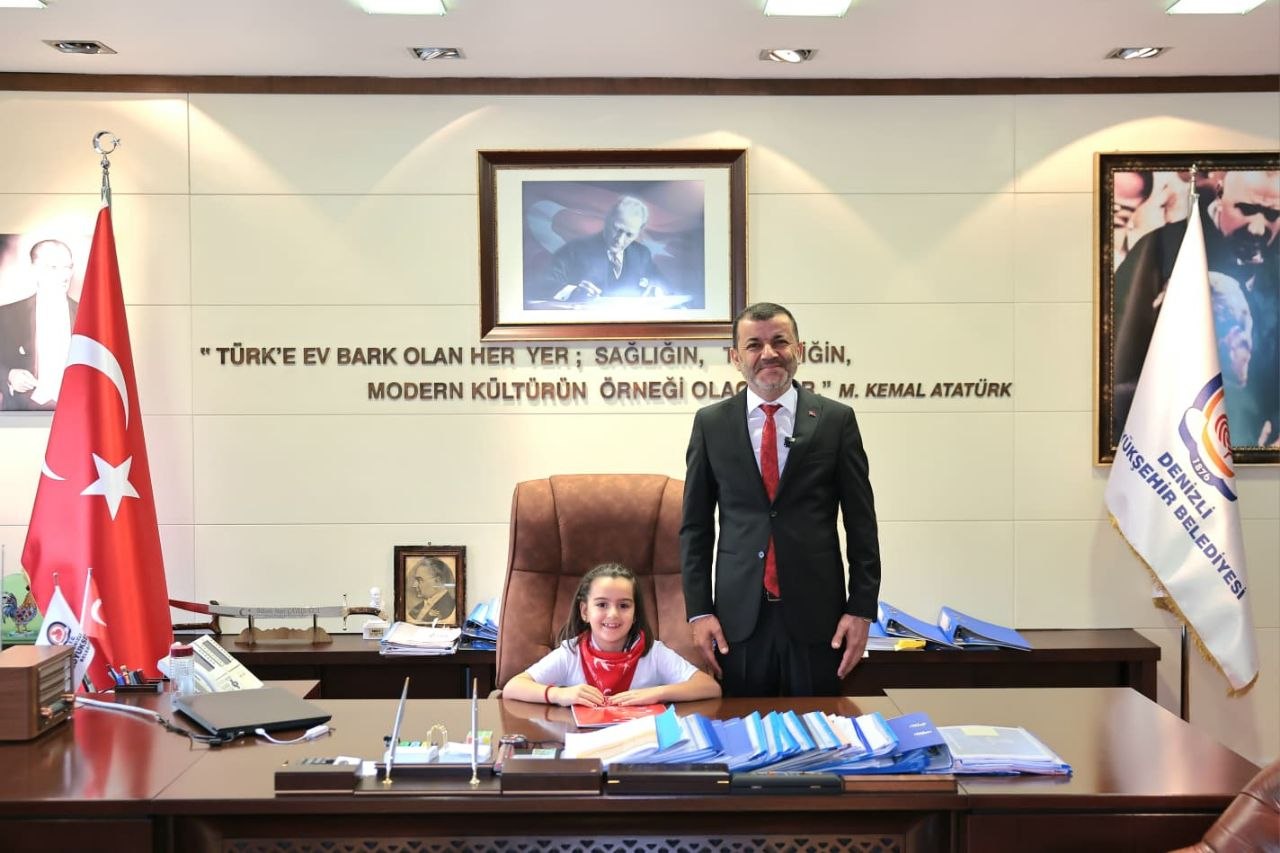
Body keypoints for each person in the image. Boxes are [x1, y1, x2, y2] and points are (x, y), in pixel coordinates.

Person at [680, 302, 881, 697]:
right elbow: (695, 528)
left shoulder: (836, 420)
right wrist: (699, 611)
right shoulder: (711, 424)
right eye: (754, 345)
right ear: (736, 358)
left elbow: (861, 524)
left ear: (799, 350)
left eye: (780, 342)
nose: (768, 353)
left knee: (819, 730)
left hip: (819, 618)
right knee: (741, 729)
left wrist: (861, 609)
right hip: (738, 622)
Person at [1112, 169, 1279, 447]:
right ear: (1220, 194)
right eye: (1247, 209)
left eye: (1273, 214)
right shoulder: (1165, 245)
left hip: (1255, 444)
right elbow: (1120, 348)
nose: (1258, 228)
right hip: (1166, 437)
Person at [502, 563, 721, 707]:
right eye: (602, 604)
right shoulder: (571, 653)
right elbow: (513, 687)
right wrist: (559, 695)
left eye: (624, 605)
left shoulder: (653, 652)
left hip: (639, 748)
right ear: (585, 611)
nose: (613, 614)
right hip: (586, 745)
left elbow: (710, 687)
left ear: (635, 613)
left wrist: (657, 693)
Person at [532, 196, 668, 304]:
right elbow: (544, 285)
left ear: (639, 232)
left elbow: (663, 284)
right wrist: (574, 291)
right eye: (617, 229)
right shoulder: (574, 250)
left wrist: (658, 290)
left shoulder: (642, 254)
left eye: (629, 234)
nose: (620, 240)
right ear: (607, 221)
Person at [0, 239, 77, 410]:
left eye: (68, 267)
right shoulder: (6, 315)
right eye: (53, 268)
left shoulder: (88, 316)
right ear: (34, 270)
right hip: (22, 413)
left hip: (76, 411)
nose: (64, 275)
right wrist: (9, 375)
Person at [406, 557, 456, 624]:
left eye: (419, 580)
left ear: (437, 581)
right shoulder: (416, 609)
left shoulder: (448, 607)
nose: (414, 585)